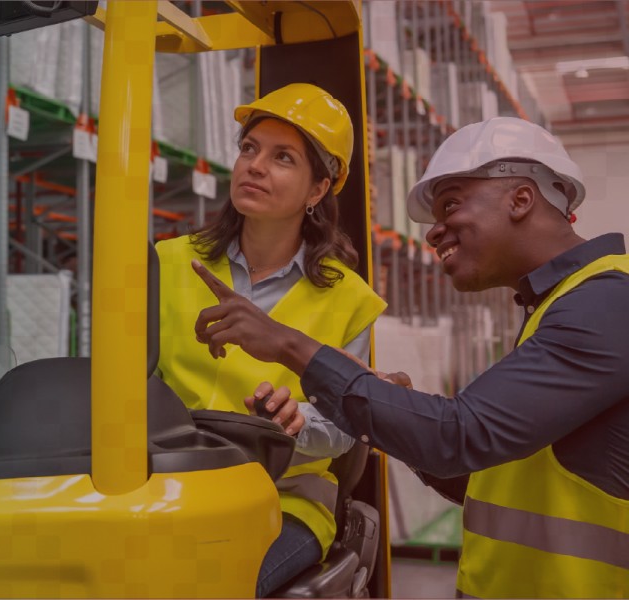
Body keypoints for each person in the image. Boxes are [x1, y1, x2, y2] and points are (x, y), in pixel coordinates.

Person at [190, 116, 629, 598]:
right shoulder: (559, 304)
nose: (434, 233)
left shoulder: (607, 303)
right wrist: (392, 406)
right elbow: (486, 479)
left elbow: (459, 436)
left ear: (520, 199)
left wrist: (287, 344)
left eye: (451, 205)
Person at [155, 83, 386, 597]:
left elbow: (347, 427)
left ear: (318, 190)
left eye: (283, 157)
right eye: (249, 149)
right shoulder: (168, 262)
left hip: (285, 500)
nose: (254, 166)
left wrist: (296, 422)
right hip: (170, 486)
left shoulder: (350, 300)